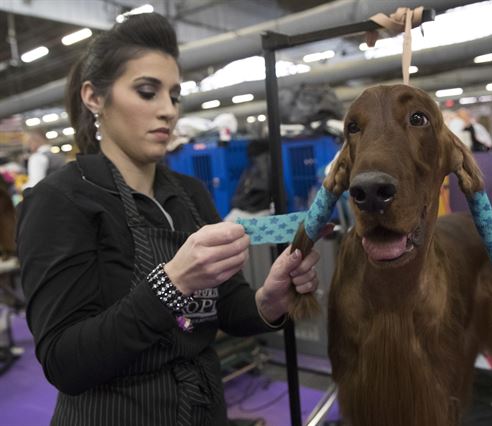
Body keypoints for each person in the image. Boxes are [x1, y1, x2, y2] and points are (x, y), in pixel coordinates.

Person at [17, 12, 321, 426]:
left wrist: (268, 300)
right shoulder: (61, 200)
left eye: (174, 96)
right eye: (147, 92)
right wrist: (172, 283)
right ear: (94, 98)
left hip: (201, 410)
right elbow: (65, 362)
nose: (168, 111)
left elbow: (228, 306)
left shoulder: (189, 195)